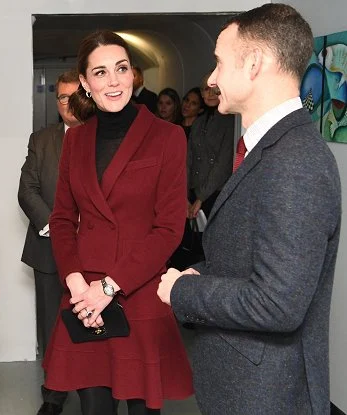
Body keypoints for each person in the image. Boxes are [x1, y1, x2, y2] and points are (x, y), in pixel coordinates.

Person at [158, 4, 341, 415]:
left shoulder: (296, 161)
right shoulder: (270, 149)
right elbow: (247, 260)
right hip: (243, 386)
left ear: (254, 63)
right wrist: (200, 271)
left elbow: (278, 304)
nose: (211, 78)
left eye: (220, 63)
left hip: (266, 395)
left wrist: (184, 290)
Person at [43, 30, 193, 415]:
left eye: (121, 68)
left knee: (144, 408)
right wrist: (76, 282)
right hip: (83, 297)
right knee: (94, 406)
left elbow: (169, 229)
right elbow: (61, 219)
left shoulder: (168, 137)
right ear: (84, 83)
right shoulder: (75, 141)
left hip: (137, 290)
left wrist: (109, 286)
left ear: (133, 75)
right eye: (100, 72)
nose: (113, 81)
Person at [18, 69, 81, 415]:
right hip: (49, 250)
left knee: (94, 324)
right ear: (55, 102)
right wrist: (55, 226)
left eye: (76, 97)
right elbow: (26, 189)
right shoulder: (41, 140)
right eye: (62, 97)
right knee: (52, 327)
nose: (69, 104)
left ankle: (94, 393)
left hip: (95, 253)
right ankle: (53, 396)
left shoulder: (105, 137)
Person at [186, 74, 235, 219]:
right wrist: (184, 195)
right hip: (192, 192)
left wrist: (201, 198)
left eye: (216, 89)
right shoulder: (198, 122)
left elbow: (223, 164)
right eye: (207, 89)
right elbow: (188, 160)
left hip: (216, 194)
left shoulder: (232, 121)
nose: (212, 93)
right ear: (201, 93)